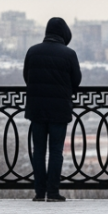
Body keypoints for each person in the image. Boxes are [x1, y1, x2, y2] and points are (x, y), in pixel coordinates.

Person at [23, 17, 81, 203]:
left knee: (38, 150)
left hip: (36, 109)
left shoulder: (33, 51)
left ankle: (39, 193)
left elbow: (27, 77)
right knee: (56, 151)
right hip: (59, 110)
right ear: (64, 33)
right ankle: (53, 192)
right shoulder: (69, 54)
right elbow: (76, 81)